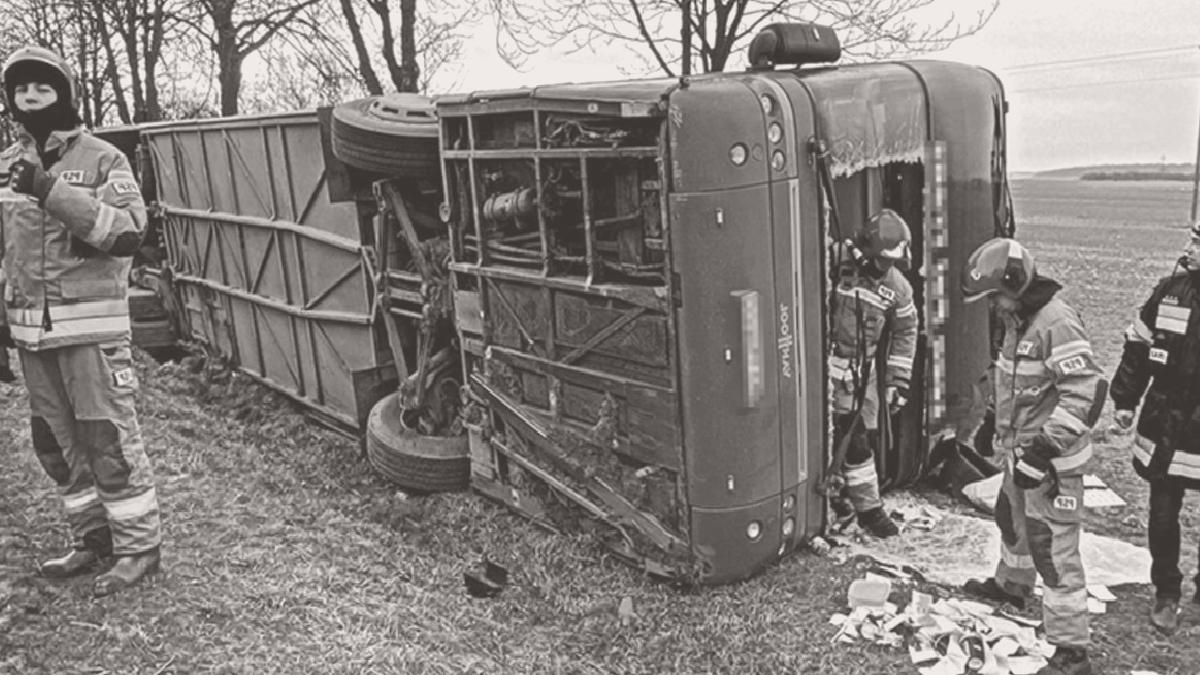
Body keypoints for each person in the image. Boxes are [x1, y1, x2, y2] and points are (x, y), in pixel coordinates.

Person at [0, 46, 160, 596]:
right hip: (32, 339)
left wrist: (49, 190)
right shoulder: (4, 166)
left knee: (107, 440)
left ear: (64, 95)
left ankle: (138, 548)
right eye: (21, 90)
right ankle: (92, 539)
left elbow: (128, 233)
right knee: (57, 444)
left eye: (42, 88)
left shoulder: (103, 159)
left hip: (91, 335)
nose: (31, 98)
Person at [958, 238, 1102, 675]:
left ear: (1015, 283)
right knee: (1012, 521)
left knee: (1051, 548)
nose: (993, 306)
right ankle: (1012, 586)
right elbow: (1013, 381)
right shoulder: (1018, 320)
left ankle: (1072, 650)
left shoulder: (1055, 322)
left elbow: (1084, 393)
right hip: (1019, 453)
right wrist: (992, 423)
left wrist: (1041, 453)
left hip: (1051, 464)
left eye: (995, 296)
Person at [1109, 220, 1200, 635]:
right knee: (1162, 513)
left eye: (1198, 242)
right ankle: (1166, 592)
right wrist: (1125, 401)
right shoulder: (1169, 292)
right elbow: (1139, 347)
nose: (1189, 248)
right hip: (1165, 423)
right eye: (1192, 240)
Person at [827, 208, 918, 538]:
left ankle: (862, 508)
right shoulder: (833, 259)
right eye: (880, 260)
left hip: (858, 378)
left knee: (860, 443)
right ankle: (859, 508)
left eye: (889, 262)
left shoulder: (898, 288)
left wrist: (898, 383)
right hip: (823, 370)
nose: (882, 268)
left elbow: (906, 331)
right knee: (843, 442)